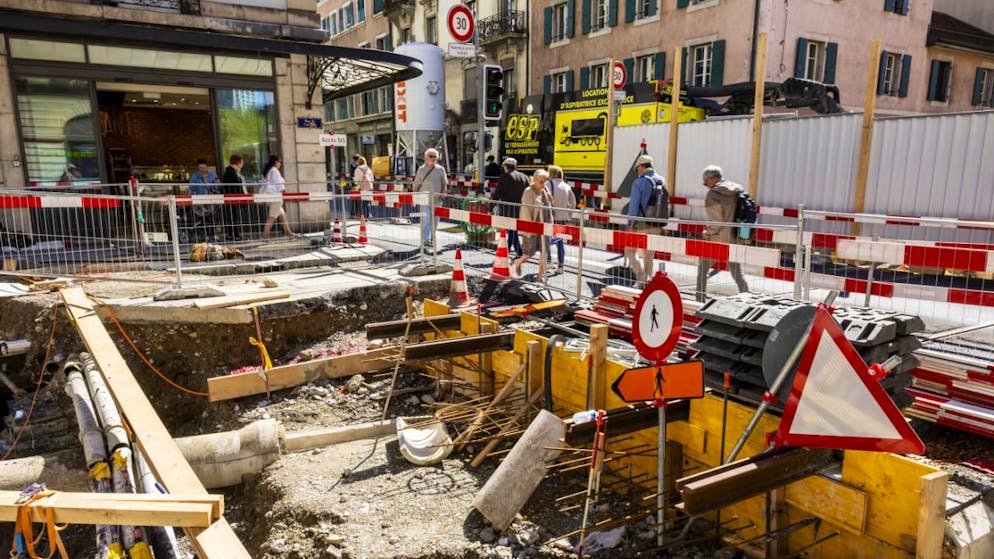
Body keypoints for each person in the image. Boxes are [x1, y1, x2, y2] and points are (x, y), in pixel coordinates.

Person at [696, 164, 749, 301]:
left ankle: (699, 299)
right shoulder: (738, 190)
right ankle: (748, 297)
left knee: (703, 268)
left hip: (717, 239)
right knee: (737, 271)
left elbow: (716, 222)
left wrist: (707, 233)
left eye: (706, 181)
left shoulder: (713, 194)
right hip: (736, 236)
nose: (705, 185)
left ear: (712, 178)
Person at [626, 155, 663, 288]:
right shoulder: (661, 180)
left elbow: (634, 206)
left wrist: (630, 224)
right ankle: (648, 280)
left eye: (637, 168)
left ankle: (641, 277)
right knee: (649, 253)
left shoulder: (639, 182)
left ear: (641, 166)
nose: (637, 171)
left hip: (641, 223)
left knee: (630, 251)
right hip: (657, 224)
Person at [513, 169, 554, 280]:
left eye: (545, 181)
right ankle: (518, 262)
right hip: (532, 226)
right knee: (529, 253)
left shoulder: (545, 191)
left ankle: (540, 276)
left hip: (544, 226)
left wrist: (551, 224)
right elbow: (525, 211)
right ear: (534, 181)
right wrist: (529, 228)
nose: (543, 184)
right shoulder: (528, 191)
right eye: (541, 181)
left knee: (544, 251)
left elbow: (549, 209)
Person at [492, 157, 529, 258]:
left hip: (508, 208)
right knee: (513, 229)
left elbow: (497, 193)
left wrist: (491, 206)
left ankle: (511, 251)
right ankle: (515, 250)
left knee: (512, 229)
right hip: (520, 208)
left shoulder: (504, 177)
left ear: (506, 166)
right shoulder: (524, 177)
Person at [412, 148, 447, 246]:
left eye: (435, 156)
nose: (433, 158)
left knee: (435, 221)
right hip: (424, 200)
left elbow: (444, 183)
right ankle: (425, 240)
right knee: (426, 220)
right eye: (431, 156)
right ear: (426, 158)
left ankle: (432, 239)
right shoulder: (421, 169)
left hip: (437, 199)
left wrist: (443, 194)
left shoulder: (440, 169)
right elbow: (416, 185)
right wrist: (414, 198)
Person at [259, 155, 298, 239]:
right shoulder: (275, 171)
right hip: (276, 196)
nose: (280, 164)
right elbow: (279, 185)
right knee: (272, 217)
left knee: (282, 215)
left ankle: (289, 232)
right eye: (280, 162)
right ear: (276, 162)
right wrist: (286, 195)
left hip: (271, 196)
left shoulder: (268, 171)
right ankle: (264, 236)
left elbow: (265, 185)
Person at [547, 165, 576, 275]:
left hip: (551, 218)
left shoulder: (548, 184)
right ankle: (560, 266)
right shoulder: (566, 186)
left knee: (546, 239)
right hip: (562, 218)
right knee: (560, 242)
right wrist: (569, 215)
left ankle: (549, 261)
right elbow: (573, 202)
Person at [189, 159, 220, 241]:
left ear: (207, 167)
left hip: (212, 200)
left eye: (204, 167)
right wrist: (191, 198)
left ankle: (213, 234)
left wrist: (217, 185)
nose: (202, 169)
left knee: (213, 217)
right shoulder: (195, 177)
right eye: (200, 168)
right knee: (203, 218)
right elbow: (191, 189)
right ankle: (206, 235)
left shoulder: (213, 175)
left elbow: (218, 186)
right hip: (200, 200)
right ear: (198, 168)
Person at [220, 155, 247, 240]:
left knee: (233, 216)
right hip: (232, 198)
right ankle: (235, 235)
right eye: (241, 163)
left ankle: (232, 234)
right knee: (234, 216)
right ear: (238, 163)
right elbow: (237, 183)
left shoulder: (230, 171)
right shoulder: (231, 172)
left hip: (231, 198)